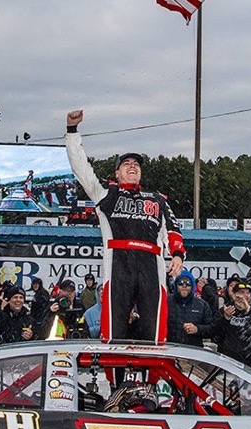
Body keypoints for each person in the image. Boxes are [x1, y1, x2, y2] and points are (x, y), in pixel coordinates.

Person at [66, 108, 186, 342]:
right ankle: (114, 378)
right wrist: (72, 131)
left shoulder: (157, 199)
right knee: (114, 327)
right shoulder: (107, 194)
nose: (132, 166)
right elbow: (81, 169)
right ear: (117, 172)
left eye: (136, 164)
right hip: (119, 263)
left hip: (152, 263)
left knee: (155, 326)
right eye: (126, 164)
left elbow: (173, 228)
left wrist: (178, 254)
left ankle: (152, 377)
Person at [217, 281, 251, 368]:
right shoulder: (225, 309)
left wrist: (248, 309)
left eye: (247, 293)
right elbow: (215, 332)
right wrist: (225, 318)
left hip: (250, 359)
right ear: (235, 295)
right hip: (229, 358)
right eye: (241, 292)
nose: (245, 295)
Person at [166, 271, 215, 348]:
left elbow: (212, 329)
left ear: (192, 286)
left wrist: (197, 329)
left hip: (193, 351)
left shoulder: (202, 305)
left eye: (188, 283)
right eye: (180, 283)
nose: (184, 286)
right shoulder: (166, 302)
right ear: (175, 285)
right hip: (170, 349)